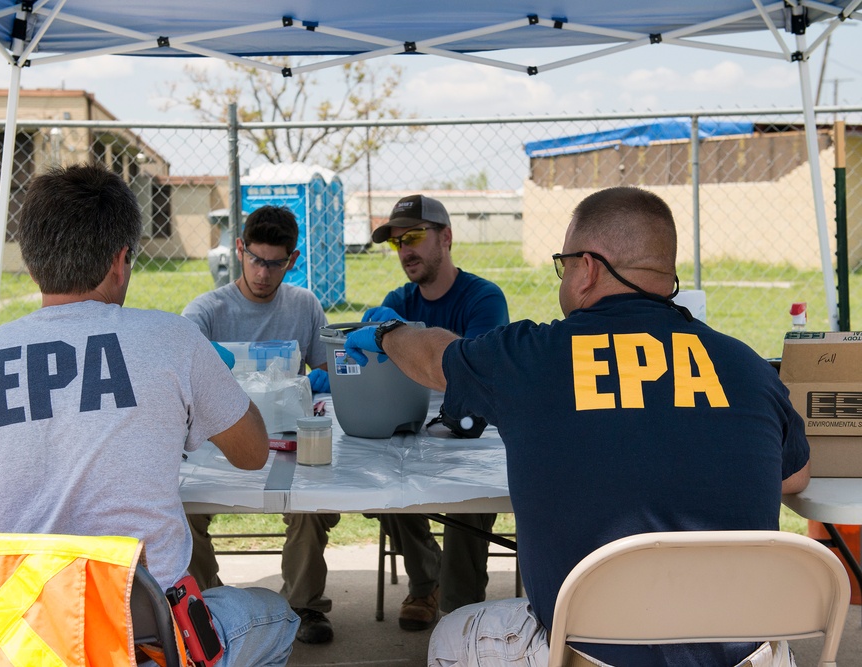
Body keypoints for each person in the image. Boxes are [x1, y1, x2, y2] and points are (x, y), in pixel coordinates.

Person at [345, 186, 810, 667]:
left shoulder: (528, 358)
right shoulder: (747, 365)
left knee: (450, 635)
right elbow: (795, 478)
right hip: (746, 653)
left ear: (587, 268)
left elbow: (432, 356)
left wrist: (388, 332)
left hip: (589, 651)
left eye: (563, 264)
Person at [0, 163, 300, 667]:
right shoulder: (173, 339)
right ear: (121, 261)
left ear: (32, 264)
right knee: (278, 617)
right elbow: (251, 454)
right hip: (144, 634)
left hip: (16, 636)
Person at [182, 205, 337, 645]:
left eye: (275, 263)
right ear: (239, 249)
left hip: (287, 440)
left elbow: (328, 379)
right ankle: (206, 609)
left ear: (293, 259)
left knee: (311, 507)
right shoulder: (206, 312)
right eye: (255, 259)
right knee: (183, 511)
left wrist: (317, 384)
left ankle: (304, 606)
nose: (263, 273)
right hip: (217, 443)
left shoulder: (304, 305)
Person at [361, 194, 509, 631]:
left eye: (413, 236)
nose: (405, 250)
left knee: (468, 500)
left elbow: (475, 375)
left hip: (474, 434)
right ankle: (426, 583)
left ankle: (461, 616)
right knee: (380, 476)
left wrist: (406, 341)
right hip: (413, 428)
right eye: (396, 242)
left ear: (446, 236)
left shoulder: (483, 298)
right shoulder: (398, 299)